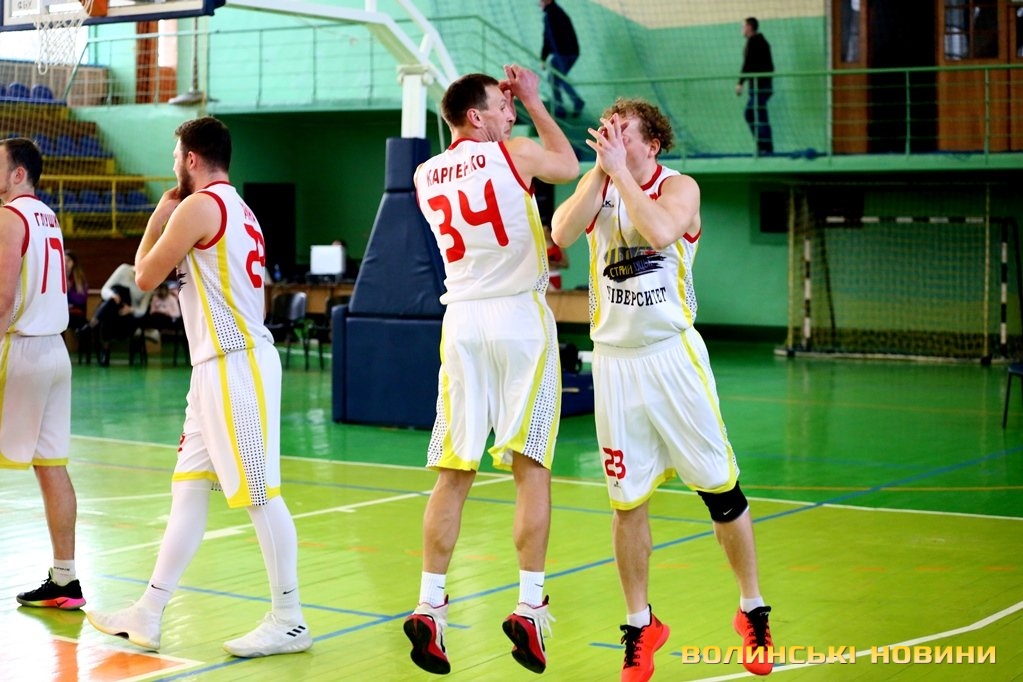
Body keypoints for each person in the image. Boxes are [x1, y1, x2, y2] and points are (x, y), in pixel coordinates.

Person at [551, 99, 775, 680]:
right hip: (615, 364)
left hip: (672, 358)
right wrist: (599, 173)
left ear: (651, 144)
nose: (611, 139)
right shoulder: (601, 184)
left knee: (720, 489)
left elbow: (657, 230)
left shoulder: (680, 187)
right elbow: (561, 232)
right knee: (627, 503)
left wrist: (619, 175)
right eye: (607, 130)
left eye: (623, 133)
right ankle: (639, 623)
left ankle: (752, 610)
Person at [85, 116, 312, 658]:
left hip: (236, 364)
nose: (172, 167)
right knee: (187, 490)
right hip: (215, 367)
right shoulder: (241, 209)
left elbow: (142, 277)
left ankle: (290, 619)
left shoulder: (199, 205)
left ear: (191, 158)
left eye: (175, 157)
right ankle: (148, 611)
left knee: (260, 494)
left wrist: (158, 216)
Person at [403, 64, 579, 676]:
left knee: (454, 470)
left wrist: (514, 107)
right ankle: (530, 605)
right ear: (476, 116)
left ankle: (430, 603)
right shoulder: (515, 152)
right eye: (502, 106)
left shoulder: (424, 174)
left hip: (462, 321)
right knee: (531, 467)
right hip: (519, 317)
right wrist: (535, 100)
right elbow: (569, 165)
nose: (510, 113)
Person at [0, 138, 85, 611]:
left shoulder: (10, 217)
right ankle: (65, 580)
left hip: (23, 350)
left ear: (18, 174)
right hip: (56, 351)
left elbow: (2, 297)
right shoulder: (48, 217)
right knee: (52, 466)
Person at [87, 262, 152, 366]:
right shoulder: (124, 269)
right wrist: (112, 296)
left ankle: (91, 326)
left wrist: (131, 309)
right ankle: (104, 350)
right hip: (113, 308)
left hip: (128, 317)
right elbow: (105, 290)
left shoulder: (150, 283)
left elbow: (142, 310)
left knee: (109, 311)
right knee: (116, 295)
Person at [735, 17, 774, 155]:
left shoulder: (755, 42)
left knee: (755, 114)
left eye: (743, 26)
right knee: (755, 114)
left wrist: (740, 83)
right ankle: (764, 146)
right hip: (759, 86)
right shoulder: (758, 41)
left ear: (749, 27)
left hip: (760, 86)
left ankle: (765, 148)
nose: (741, 29)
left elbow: (748, 64)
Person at [540, 0, 585, 119]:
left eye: (541, 1)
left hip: (563, 54)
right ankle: (561, 108)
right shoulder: (558, 12)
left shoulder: (551, 15)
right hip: (570, 53)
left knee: (558, 79)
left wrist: (543, 59)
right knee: (554, 79)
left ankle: (571, 105)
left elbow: (548, 39)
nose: (539, 3)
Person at [65, 249, 89, 332]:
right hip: (61, 311)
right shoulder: (57, 277)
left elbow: (81, 300)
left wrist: (68, 291)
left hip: (75, 313)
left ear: (74, 263)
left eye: (68, 260)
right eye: (63, 260)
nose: (65, 263)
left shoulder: (79, 279)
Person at [543, 224, 569, 290]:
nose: (545, 233)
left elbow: (566, 264)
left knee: (556, 294)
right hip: (542, 276)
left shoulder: (558, 247)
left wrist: (554, 263)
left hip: (555, 275)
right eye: (543, 231)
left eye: (547, 231)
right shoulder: (539, 248)